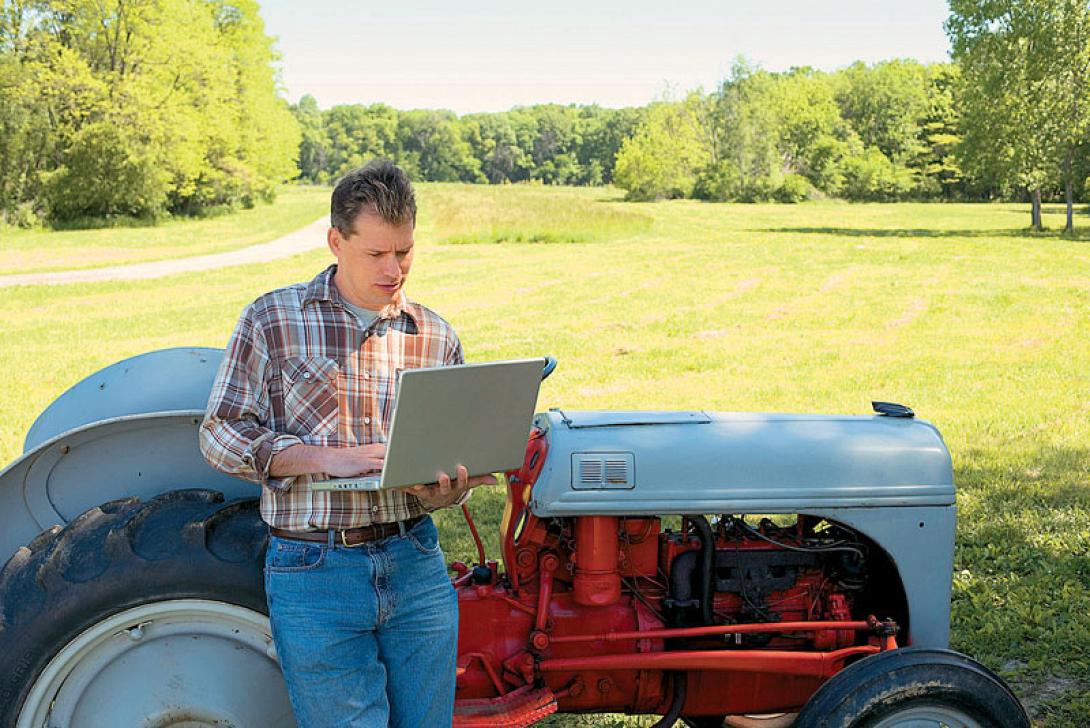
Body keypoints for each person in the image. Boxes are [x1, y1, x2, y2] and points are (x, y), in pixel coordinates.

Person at [199, 160, 493, 727]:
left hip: (416, 562)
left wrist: (444, 492)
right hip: (314, 567)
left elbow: (452, 464)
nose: (395, 269)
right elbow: (219, 434)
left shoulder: (434, 335)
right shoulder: (273, 319)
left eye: (404, 252)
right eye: (376, 254)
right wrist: (322, 459)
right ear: (336, 241)